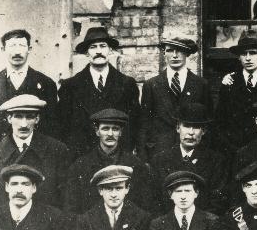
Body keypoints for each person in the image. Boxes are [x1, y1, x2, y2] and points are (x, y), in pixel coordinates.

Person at [0, 93, 72, 215]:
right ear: (9, 118)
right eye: (18, 117)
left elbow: (67, 205)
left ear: (37, 119)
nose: (24, 124)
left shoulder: (57, 152)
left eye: (29, 117)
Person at [0, 28, 61, 156]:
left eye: (21, 46)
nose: (17, 52)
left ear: (29, 49)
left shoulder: (46, 83)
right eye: (12, 46)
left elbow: (53, 127)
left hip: (35, 156)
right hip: (0, 156)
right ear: (3, 49)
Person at [58, 26, 143, 156]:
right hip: (81, 157)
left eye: (103, 46)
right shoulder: (70, 86)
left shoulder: (127, 84)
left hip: (117, 155)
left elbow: (135, 125)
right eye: (93, 47)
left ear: (110, 50)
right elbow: (63, 127)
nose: (98, 51)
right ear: (87, 52)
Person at [65, 107, 156, 215]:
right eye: (105, 129)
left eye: (115, 129)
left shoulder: (136, 165)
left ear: (121, 132)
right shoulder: (80, 167)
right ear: (97, 131)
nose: (110, 134)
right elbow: (72, 211)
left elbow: (145, 208)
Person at [140, 36, 212, 157]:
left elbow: (208, 123)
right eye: (169, 50)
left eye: (179, 51)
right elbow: (144, 124)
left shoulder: (201, 85)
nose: (174, 55)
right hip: (159, 153)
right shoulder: (151, 85)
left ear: (187, 53)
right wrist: (143, 157)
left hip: (193, 152)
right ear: (164, 53)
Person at [149, 104, 227, 209]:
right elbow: (154, 201)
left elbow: (217, 202)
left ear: (204, 131)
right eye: (186, 126)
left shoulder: (216, 161)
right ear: (178, 128)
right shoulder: (159, 160)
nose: (191, 132)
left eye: (196, 127)